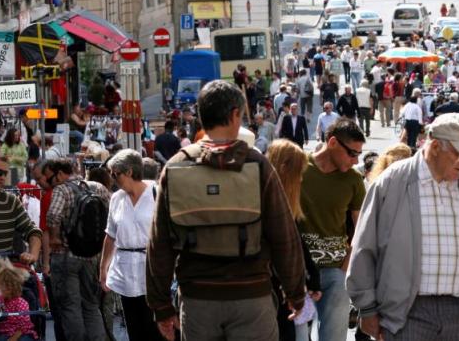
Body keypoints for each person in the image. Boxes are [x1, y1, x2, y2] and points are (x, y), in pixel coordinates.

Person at [146, 80, 306, 340]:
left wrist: (161, 307)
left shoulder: (176, 167)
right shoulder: (257, 164)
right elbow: (284, 234)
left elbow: (158, 244)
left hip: (198, 300)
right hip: (252, 297)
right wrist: (295, 292)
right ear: (234, 115)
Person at [347, 113, 459, 341]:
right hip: (407, 312)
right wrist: (367, 308)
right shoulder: (392, 182)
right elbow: (364, 247)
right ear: (434, 146)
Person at [299, 118, 366, 341]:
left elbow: (360, 229)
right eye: (352, 153)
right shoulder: (298, 170)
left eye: (358, 154)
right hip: (299, 272)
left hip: (335, 271)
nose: (356, 160)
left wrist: (345, 265)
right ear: (333, 143)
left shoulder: (354, 180)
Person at [45, 157, 112, 341]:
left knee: (70, 306)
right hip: (93, 256)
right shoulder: (97, 188)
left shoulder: (62, 190)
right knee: (91, 305)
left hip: (66, 255)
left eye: (50, 178)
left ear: (59, 173)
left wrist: (55, 237)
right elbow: (112, 214)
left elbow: (52, 216)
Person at [99, 149, 161, 341]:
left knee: (155, 329)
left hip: (152, 270)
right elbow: (110, 235)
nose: (112, 178)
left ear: (129, 172)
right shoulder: (117, 198)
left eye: (115, 173)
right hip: (126, 272)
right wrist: (103, 269)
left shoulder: (156, 193)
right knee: (134, 328)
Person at [266, 140, 322, 341]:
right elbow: (287, 251)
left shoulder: (285, 205)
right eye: (299, 173)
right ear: (284, 169)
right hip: (274, 297)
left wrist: (311, 279)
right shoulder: (271, 207)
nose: (300, 180)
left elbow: (297, 245)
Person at [0, 153, 42, 261]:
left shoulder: (11, 201)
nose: (2, 177)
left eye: (5, 173)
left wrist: (32, 255)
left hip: (4, 271)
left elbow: (33, 231)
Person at [0, 257, 38, 341]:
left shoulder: (20, 302)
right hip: (5, 333)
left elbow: (25, 324)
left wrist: (13, 338)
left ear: (9, 288)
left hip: (22, 332)